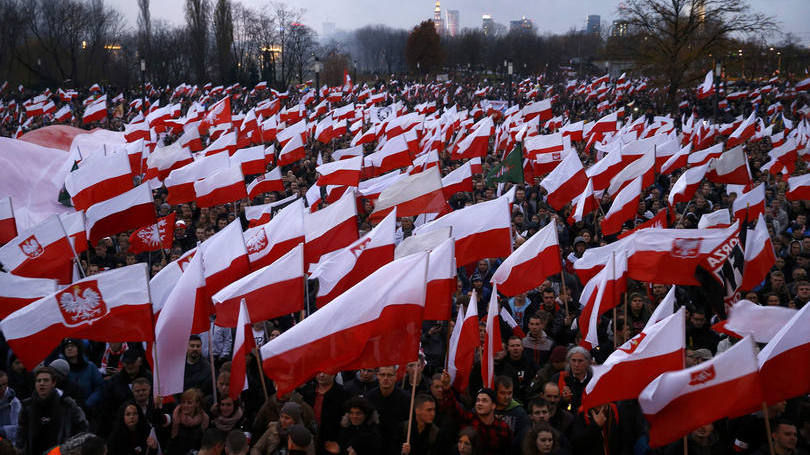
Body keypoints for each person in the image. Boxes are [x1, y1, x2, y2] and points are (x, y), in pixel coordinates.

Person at [17, 365, 89, 455]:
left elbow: (82, 427)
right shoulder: (27, 406)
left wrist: (71, 449)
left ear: (53, 383)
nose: (41, 383)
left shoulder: (67, 404)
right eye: (38, 381)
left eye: (46, 380)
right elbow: (21, 433)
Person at [438, 371, 512, 454]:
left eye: (484, 401)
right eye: (478, 400)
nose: (479, 403)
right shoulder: (468, 419)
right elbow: (453, 408)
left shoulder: (503, 427)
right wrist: (447, 388)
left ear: (493, 406)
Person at [366, 366, 410, 454]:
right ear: (377, 376)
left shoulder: (406, 398)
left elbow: (408, 424)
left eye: (390, 375)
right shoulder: (369, 397)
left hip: (398, 445)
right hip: (374, 446)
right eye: (382, 375)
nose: (386, 378)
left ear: (395, 377)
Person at [300, 372, 346, 455]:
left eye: (326, 372)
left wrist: (340, 443)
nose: (321, 375)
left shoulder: (343, 394)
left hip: (330, 444)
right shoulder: (306, 391)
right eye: (318, 371)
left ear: (334, 373)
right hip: (307, 441)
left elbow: (346, 423)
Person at [60, 338, 104, 409]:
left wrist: (87, 404)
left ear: (79, 348)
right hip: (67, 409)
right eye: (66, 347)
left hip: (89, 408)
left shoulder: (90, 367)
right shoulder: (61, 369)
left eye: (72, 346)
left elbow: (99, 388)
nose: (69, 349)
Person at [493, 375, 530, 452]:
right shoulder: (488, 409)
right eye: (502, 393)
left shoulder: (520, 413)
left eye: (509, 393)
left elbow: (523, 438)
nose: (507, 397)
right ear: (495, 392)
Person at [550, 347, 592, 413]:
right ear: (569, 362)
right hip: (565, 418)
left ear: (587, 362)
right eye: (573, 360)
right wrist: (563, 400)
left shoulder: (594, 379)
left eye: (580, 361)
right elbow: (549, 403)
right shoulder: (558, 378)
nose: (576, 364)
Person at [169, 388, 209, 454]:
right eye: (183, 402)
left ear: (197, 404)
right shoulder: (175, 417)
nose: (185, 405)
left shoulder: (204, 420)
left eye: (189, 403)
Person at [0, 370, 21, 441]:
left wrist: (2, 430)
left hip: (7, 444)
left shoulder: (14, 402)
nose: (3, 388)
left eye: (4, 384)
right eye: (0, 386)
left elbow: (18, 429)